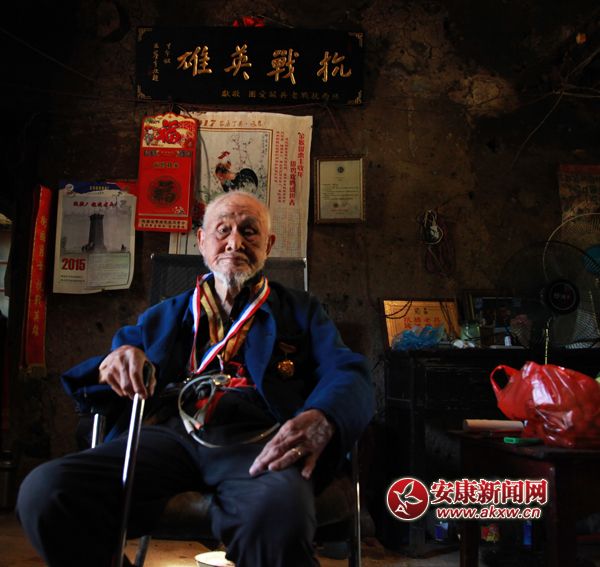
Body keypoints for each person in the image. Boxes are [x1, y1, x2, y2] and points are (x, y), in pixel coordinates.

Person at [17, 191, 374, 567]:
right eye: (223, 230)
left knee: (278, 517)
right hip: (169, 437)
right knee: (47, 492)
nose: (234, 242)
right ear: (202, 241)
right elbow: (115, 361)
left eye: (249, 231)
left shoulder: (301, 312)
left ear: (268, 245)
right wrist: (117, 360)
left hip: (259, 441)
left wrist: (324, 416)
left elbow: (347, 371)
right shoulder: (167, 314)